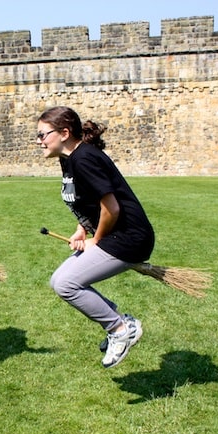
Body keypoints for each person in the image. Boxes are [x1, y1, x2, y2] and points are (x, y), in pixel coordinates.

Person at [36, 106, 155, 368]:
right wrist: (81, 229)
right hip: (115, 235)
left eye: (43, 135)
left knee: (67, 284)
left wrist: (96, 240)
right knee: (58, 281)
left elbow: (111, 208)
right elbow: (84, 200)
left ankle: (120, 330)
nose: (39, 141)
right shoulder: (68, 159)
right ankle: (125, 322)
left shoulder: (84, 158)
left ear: (64, 133)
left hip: (129, 237)